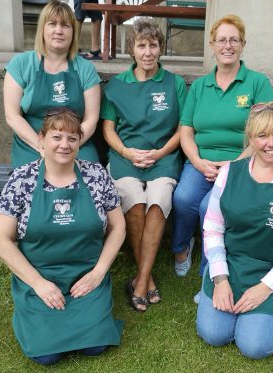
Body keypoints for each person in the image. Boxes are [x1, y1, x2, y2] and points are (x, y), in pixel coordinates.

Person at [0, 107, 125, 365]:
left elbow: (118, 227)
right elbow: (1, 239)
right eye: (56, 137)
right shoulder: (22, 180)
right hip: (40, 276)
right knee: (46, 355)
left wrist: (98, 273)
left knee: (96, 346)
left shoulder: (96, 176)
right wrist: (38, 283)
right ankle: (31, 309)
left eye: (72, 138)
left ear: (79, 142)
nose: (64, 145)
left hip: (86, 276)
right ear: (41, 140)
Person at [196, 102, 273, 359]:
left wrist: (265, 287)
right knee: (213, 334)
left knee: (254, 347)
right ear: (250, 138)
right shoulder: (230, 172)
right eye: (262, 136)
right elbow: (213, 227)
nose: (270, 143)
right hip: (232, 264)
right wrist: (220, 279)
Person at [171, 15, 273, 303]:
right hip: (201, 162)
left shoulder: (256, 83)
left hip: (241, 164)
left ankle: (210, 274)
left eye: (234, 40)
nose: (227, 45)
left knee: (209, 207)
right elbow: (186, 130)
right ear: (212, 46)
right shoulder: (201, 86)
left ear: (242, 45)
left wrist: (236, 164)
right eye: (222, 40)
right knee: (182, 199)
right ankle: (182, 247)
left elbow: (266, 130)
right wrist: (196, 160)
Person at [100, 18, 187, 312]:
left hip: (163, 158)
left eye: (153, 45)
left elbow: (183, 129)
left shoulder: (174, 83)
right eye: (141, 45)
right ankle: (146, 280)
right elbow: (108, 129)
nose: (147, 52)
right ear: (132, 50)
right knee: (134, 203)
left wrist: (161, 152)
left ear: (160, 48)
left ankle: (140, 281)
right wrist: (126, 151)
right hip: (126, 159)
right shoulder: (116, 87)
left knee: (158, 202)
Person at [4, 0, 100, 169]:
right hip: (32, 143)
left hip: (76, 144)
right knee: (33, 178)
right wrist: (41, 145)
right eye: (52, 24)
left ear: (73, 32)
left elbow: (91, 119)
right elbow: (12, 116)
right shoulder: (21, 64)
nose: (58, 31)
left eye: (65, 26)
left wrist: (69, 146)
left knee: (89, 176)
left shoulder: (85, 68)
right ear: (42, 29)